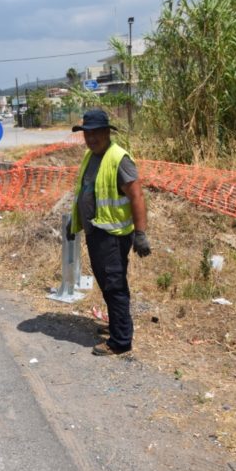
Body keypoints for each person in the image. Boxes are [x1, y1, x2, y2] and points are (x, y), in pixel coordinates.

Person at [68, 109, 151, 355]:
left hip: (112, 236)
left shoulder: (118, 158)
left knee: (114, 286)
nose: (91, 138)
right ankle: (117, 326)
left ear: (107, 132)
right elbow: (85, 191)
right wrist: (75, 222)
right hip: (97, 233)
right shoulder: (90, 156)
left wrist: (141, 233)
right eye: (87, 134)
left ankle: (121, 342)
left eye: (96, 133)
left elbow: (136, 195)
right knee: (107, 284)